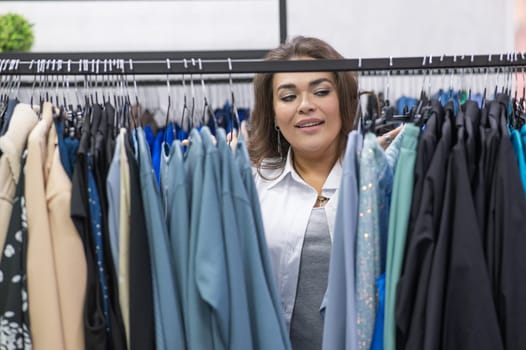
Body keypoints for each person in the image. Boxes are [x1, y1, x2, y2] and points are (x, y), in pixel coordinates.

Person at [247, 36, 401, 349]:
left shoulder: (380, 181)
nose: (306, 106)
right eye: (288, 96)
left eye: (320, 91)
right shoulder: (251, 187)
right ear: (274, 114)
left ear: (343, 100)